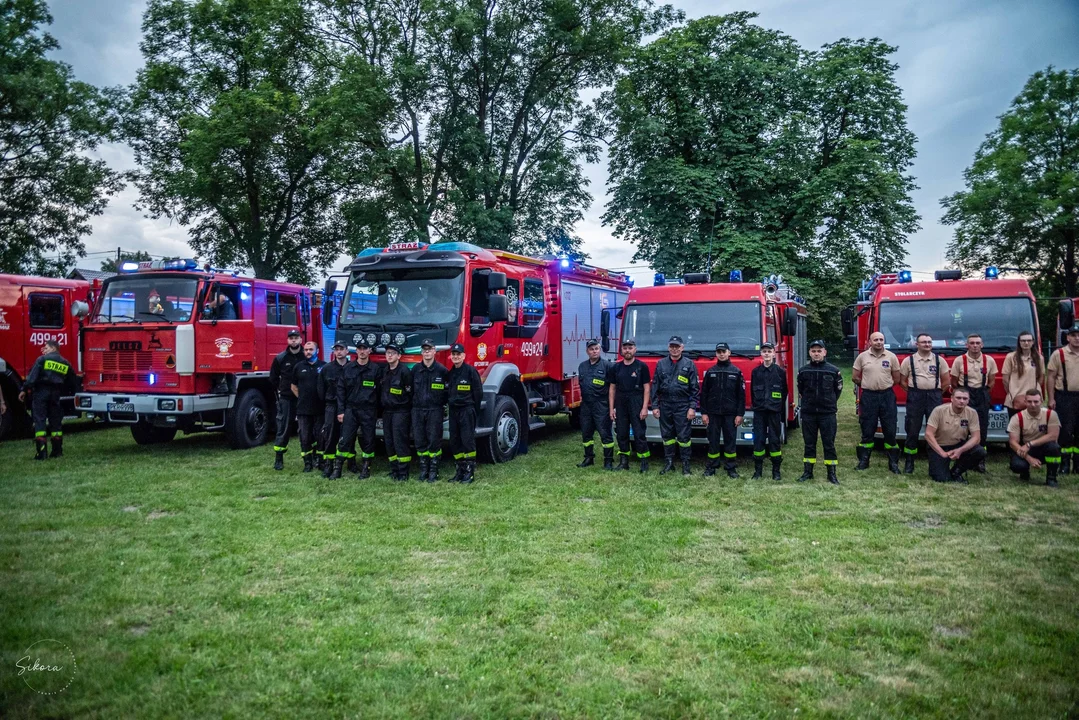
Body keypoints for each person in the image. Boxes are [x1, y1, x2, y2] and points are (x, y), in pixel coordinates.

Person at [899, 333, 950, 474]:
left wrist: (936, 393)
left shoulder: (940, 360)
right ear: (917, 344)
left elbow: (946, 382)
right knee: (912, 428)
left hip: (934, 396)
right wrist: (913, 391)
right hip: (915, 396)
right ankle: (909, 461)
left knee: (935, 429)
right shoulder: (908, 361)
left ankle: (935, 459)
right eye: (924, 342)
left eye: (929, 342)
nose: (927, 344)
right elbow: (902, 381)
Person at [852, 332, 902, 473]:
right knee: (867, 429)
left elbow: (897, 378)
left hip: (887, 396)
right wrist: (868, 384)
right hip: (868, 396)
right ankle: (864, 461)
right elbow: (855, 377)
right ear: (869, 342)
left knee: (890, 430)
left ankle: (893, 464)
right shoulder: (862, 357)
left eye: (881, 339)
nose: (879, 342)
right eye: (876, 340)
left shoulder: (891, 357)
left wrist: (883, 385)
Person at [334, 339, 382, 479]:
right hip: (351, 409)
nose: (361, 351)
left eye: (364, 349)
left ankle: (366, 468)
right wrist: (341, 411)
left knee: (368, 440)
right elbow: (341, 391)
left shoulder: (375, 370)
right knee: (345, 439)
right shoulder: (348, 368)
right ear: (356, 351)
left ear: (369, 351)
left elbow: (379, 392)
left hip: (368, 410)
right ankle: (338, 468)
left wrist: (377, 412)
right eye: (359, 349)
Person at [950, 333, 998, 473]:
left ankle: (980, 460)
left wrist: (984, 392)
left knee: (981, 427)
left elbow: (992, 380)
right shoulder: (959, 360)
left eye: (978, 343)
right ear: (967, 345)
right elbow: (954, 381)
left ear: (982, 345)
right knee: (962, 426)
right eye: (972, 343)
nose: (975, 346)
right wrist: (963, 395)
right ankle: (962, 455)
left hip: (982, 394)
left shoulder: (989, 360)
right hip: (965, 395)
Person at [652, 335, 700, 475]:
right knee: (667, 436)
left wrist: (692, 407)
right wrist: (655, 406)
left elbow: (695, 389)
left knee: (684, 437)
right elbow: (655, 386)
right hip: (665, 404)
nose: (674, 349)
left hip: (682, 405)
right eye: (672, 346)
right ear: (668, 348)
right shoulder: (661, 364)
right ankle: (669, 463)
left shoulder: (689, 364)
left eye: (677, 346)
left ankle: (686, 465)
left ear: (682, 348)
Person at [797, 339, 843, 484]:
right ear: (810, 353)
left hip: (827, 413)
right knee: (809, 443)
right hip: (809, 413)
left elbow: (838, 391)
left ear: (824, 352)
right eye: (813, 351)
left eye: (819, 351)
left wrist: (829, 403)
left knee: (828, 444)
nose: (816, 354)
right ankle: (808, 472)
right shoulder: (803, 371)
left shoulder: (833, 371)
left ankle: (831, 474)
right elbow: (801, 390)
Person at [19, 340, 73, 460]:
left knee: (40, 420)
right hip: (56, 394)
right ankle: (57, 451)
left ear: (54, 348)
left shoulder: (41, 360)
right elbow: (71, 379)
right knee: (55, 421)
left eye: (46, 347)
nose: (44, 349)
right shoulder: (65, 363)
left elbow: (32, 378)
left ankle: (41, 453)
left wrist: (24, 389)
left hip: (41, 393)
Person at [701, 342, 745, 478]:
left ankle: (731, 467)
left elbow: (741, 396)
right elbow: (704, 394)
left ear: (729, 353)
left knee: (730, 441)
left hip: (730, 414)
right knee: (713, 441)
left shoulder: (736, 372)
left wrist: (740, 414)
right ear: (716, 354)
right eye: (719, 352)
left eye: (723, 351)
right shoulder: (710, 372)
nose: (721, 354)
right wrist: (704, 413)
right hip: (713, 413)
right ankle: (712, 466)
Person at [924, 387, 986, 483]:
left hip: (958, 445)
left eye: (965, 399)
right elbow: (928, 434)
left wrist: (960, 450)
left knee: (980, 451)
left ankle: (956, 472)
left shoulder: (972, 413)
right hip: (940, 446)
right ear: (952, 398)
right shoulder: (939, 410)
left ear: (968, 400)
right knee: (941, 479)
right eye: (958, 398)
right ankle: (942, 470)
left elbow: (976, 438)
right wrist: (942, 453)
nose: (961, 401)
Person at [609, 338, 651, 472]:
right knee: (622, 433)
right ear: (621, 350)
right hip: (621, 402)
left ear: (635, 349)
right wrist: (611, 408)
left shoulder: (641, 366)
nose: (627, 350)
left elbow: (647, 388)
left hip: (636, 400)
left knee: (639, 433)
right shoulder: (616, 367)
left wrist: (645, 407)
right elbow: (612, 389)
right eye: (625, 348)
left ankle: (644, 461)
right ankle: (624, 462)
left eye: (630, 347)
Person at [412, 339, 449, 482]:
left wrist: (440, 404)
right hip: (418, 410)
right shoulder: (415, 370)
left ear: (435, 351)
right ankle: (423, 470)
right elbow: (410, 390)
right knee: (420, 440)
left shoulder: (442, 371)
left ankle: (434, 471)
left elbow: (448, 391)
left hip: (435, 410)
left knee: (434, 440)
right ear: (421, 352)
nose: (427, 352)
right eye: (424, 350)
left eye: (430, 349)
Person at [1007, 388, 1061, 486]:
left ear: (1041, 401)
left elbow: (1053, 436)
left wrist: (1030, 444)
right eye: (1029, 401)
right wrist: (1029, 458)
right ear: (1025, 402)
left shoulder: (1051, 414)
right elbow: (1013, 442)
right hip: (1025, 450)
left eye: (1036, 401)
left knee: (1054, 448)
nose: (1033, 405)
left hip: (1044, 448)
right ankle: (1024, 472)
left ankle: (1051, 478)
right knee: (1017, 465)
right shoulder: (1017, 418)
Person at [576, 339, 616, 470]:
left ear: (600, 350)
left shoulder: (607, 366)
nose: (594, 351)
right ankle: (588, 458)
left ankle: (608, 461)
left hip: (601, 404)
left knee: (605, 434)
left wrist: (611, 407)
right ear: (587, 351)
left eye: (596, 349)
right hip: (586, 405)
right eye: (591, 349)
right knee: (586, 433)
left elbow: (612, 388)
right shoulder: (582, 366)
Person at [446, 343, 482, 483]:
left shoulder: (471, 372)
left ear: (463, 356)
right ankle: (459, 472)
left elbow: (478, 393)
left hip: (467, 410)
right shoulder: (451, 373)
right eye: (453, 355)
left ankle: (469, 472)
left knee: (467, 441)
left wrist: (474, 410)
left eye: (458, 354)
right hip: (454, 411)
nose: (455, 357)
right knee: (455, 441)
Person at [269, 330, 305, 470]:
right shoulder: (280, 358)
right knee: (283, 428)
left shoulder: (306, 356)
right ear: (288, 341)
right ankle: (279, 458)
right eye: (291, 338)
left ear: (300, 340)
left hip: (305, 399)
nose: (294, 341)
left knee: (307, 429)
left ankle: (311, 458)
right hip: (287, 398)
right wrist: (282, 390)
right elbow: (273, 378)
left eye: (296, 338)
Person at [1046, 323, 1079, 475]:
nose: (1077, 338)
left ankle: (1077, 464)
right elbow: (1051, 377)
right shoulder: (1058, 354)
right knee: (1065, 431)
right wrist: (1051, 398)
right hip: (1065, 397)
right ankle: (1064, 463)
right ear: (1068, 337)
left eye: (1078, 336)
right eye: (1073, 335)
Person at [751, 341, 786, 481]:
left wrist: (777, 407)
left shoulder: (780, 372)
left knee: (774, 441)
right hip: (759, 412)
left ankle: (776, 471)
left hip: (774, 412)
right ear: (761, 354)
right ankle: (758, 471)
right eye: (764, 351)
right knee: (758, 441)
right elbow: (752, 392)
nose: (766, 354)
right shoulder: (756, 372)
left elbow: (784, 392)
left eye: (769, 351)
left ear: (773, 353)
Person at [380, 343, 413, 481]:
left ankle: (403, 472)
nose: (389, 355)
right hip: (387, 411)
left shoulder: (404, 371)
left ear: (399, 356)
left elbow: (410, 392)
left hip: (401, 411)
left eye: (393, 353)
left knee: (400, 441)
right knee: (389, 441)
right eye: (387, 353)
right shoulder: (384, 371)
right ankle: (394, 469)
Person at [290, 341, 324, 473]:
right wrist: (303, 397)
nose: (308, 352)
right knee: (304, 437)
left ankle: (320, 461)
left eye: (311, 349)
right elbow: (293, 386)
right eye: (306, 350)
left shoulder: (324, 367)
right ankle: (307, 463)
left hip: (320, 409)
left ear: (317, 351)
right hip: (303, 410)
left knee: (321, 436)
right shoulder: (298, 367)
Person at [318, 341, 351, 477]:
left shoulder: (352, 368)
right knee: (330, 436)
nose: (339, 352)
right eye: (336, 349)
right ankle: (329, 465)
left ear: (347, 351)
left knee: (348, 436)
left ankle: (350, 463)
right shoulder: (327, 369)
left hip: (348, 407)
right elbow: (320, 389)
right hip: (331, 406)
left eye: (341, 349)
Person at [1002, 331, 1044, 418]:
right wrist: (1012, 394)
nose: (1026, 343)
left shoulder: (1039, 358)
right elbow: (1005, 380)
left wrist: (1035, 393)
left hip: (1033, 399)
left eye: (1029, 340)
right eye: (1023, 341)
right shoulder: (1011, 357)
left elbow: (1041, 377)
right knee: (1016, 427)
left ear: (1033, 342)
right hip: (1016, 398)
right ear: (1019, 342)